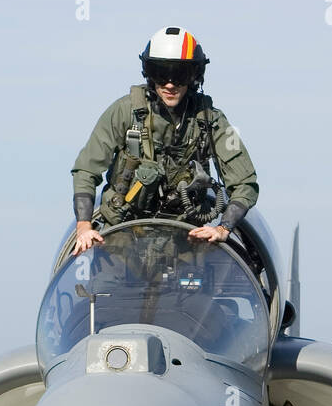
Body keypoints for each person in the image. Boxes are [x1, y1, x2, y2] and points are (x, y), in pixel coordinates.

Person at [71, 26, 259, 256]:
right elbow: (86, 170)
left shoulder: (211, 120)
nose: (170, 84)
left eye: (179, 75)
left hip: (185, 247)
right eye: (161, 74)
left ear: (194, 76)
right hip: (121, 246)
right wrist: (83, 226)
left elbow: (245, 183)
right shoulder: (124, 112)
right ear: (149, 74)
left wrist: (223, 227)